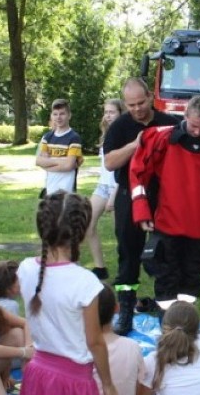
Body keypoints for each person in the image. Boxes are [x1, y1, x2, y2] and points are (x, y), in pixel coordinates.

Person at [17, 191, 118, 395]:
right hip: (73, 379)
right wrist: (110, 385)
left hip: (39, 372)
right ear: (83, 230)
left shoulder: (25, 268)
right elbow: (95, 341)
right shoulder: (85, 281)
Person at [130, 95, 200, 315]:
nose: (198, 132)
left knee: (192, 280)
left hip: (198, 228)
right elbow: (138, 174)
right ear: (185, 115)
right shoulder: (161, 138)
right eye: (194, 125)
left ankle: (185, 322)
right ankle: (167, 326)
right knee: (166, 277)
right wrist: (141, 210)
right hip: (166, 225)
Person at [103, 78, 177, 334]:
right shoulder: (120, 126)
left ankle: (166, 309)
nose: (137, 109)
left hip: (163, 198)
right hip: (129, 197)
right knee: (128, 253)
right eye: (131, 105)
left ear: (150, 97)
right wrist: (135, 145)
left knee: (165, 253)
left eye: (141, 103)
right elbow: (110, 162)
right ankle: (125, 310)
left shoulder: (170, 122)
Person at [87, 99, 125, 281]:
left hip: (118, 187)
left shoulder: (124, 135)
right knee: (87, 223)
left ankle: (124, 271)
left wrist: (113, 196)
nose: (108, 115)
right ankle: (100, 267)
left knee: (122, 234)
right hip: (102, 186)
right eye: (106, 112)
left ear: (120, 113)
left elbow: (124, 169)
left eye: (112, 112)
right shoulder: (106, 135)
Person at [36, 99, 83, 195]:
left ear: (69, 115)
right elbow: (39, 161)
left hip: (66, 190)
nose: (58, 117)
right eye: (55, 114)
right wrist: (62, 160)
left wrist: (48, 165)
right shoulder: (47, 137)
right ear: (51, 116)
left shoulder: (74, 138)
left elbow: (69, 166)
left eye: (62, 114)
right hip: (50, 188)